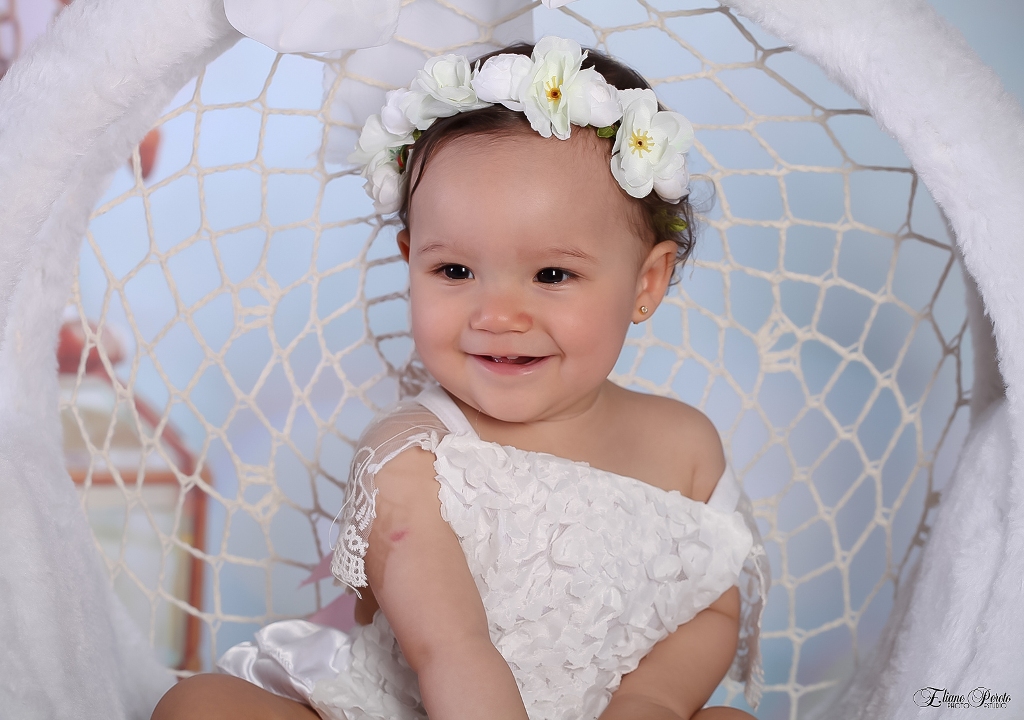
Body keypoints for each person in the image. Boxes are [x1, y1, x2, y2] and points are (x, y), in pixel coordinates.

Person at [152, 36, 770, 720]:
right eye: (454, 271)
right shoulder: (414, 457)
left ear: (647, 283)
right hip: (423, 706)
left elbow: (710, 607)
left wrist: (651, 702)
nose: (497, 316)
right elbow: (451, 648)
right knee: (198, 707)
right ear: (410, 260)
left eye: (552, 274)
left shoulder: (684, 447)